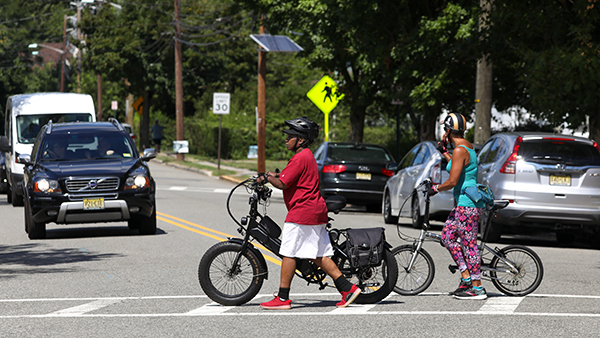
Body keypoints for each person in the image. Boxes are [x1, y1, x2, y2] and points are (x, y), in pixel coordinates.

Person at [257, 117, 361, 310]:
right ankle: (347, 289)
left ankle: (282, 298)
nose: (286, 139)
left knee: (289, 253)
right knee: (318, 255)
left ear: (302, 140)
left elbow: (283, 183)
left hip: (303, 212)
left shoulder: (300, 158)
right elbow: (288, 177)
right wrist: (272, 175)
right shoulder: (305, 156)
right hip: (313, 211)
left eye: (291, 136)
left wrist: (268, 178)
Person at [428, 113, 487, 300]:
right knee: (447, 237)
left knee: (469, 245)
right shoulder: (464, 147)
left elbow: (453, 181)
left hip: (467, 205)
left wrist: (435, 188)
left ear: (447, 130)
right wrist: (444, 151)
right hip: (462, 205)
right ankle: (466, 277)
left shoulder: (461, 150)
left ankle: (477, 288)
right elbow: (456, 164)